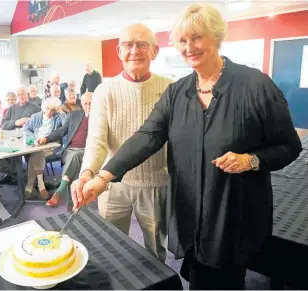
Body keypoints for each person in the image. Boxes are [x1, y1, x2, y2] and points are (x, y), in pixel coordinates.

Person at [72, 4, 303, 290]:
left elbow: (289, 146)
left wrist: (251, 160)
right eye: (182, 40)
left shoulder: (255, 85)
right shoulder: (177, 92)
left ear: (216, 38)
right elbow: (147, 136)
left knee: (226, 280)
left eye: (197, 38)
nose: (188, 47)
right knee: (198, 278)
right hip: (189, 210)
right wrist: (102, 177)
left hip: (232, 211)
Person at [71, 23, 174, 262]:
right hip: (111, 185)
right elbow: (96, 140)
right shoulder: (103, 91)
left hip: (155, 183)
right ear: (119, 51)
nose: (134, 51)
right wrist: (87, 172)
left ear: (154, 51)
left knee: (156, 251)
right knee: (111, 248)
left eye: (141, 44)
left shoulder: (170, 89)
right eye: (128, 44)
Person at [37, 92, 92, 208]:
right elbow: (61, 131)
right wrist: (46, 138)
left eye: (91, 103)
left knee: (76, 158)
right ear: (81, 104)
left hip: (88, 151)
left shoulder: (100, 117)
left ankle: (60, 193)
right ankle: (75, 208)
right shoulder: (74, 115)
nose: (88, 106)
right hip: (70, 150)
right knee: (75, 161)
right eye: (85, 103)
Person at [23, 97, 64, 200]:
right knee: (38, 153)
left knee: (36, 154)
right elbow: (26, 128)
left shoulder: (58, 118)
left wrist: (61, 112)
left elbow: (66, 124)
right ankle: (41, 186)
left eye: (53, 110)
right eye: (48, 109)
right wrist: (34, 138)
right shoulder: (35, 117)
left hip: (50, 147)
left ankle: (30, 185)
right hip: (35, 145)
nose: (50, 112)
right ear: (43, 108)